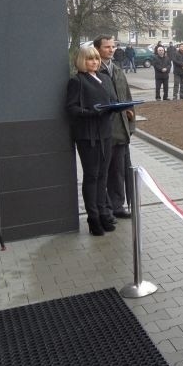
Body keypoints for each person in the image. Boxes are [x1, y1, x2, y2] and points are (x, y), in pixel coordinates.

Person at [66, 46, 117, 236]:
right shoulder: (77, 81)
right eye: (89, 59)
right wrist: (90, 113)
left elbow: (112, 100)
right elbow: (71, 108)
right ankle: (93, 218)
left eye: (96, 59)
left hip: (105, 133)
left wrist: (116, 108)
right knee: (92, 176)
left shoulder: (104, 78)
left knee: (103, 176)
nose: (94, 62)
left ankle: (104, 213)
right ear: (82, 61)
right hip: (88, 137)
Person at [95, 35, 136, 219]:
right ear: (97, 49)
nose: (111, 50)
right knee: (105, 172)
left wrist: (131, 122)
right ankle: (106, 207)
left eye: (113, 46)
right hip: (104, 131)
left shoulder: (117, 70)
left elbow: (127, 97)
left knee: (120, 170)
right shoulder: (94, 72)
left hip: (121, 131)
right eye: (106, 47)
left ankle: (118, 205)